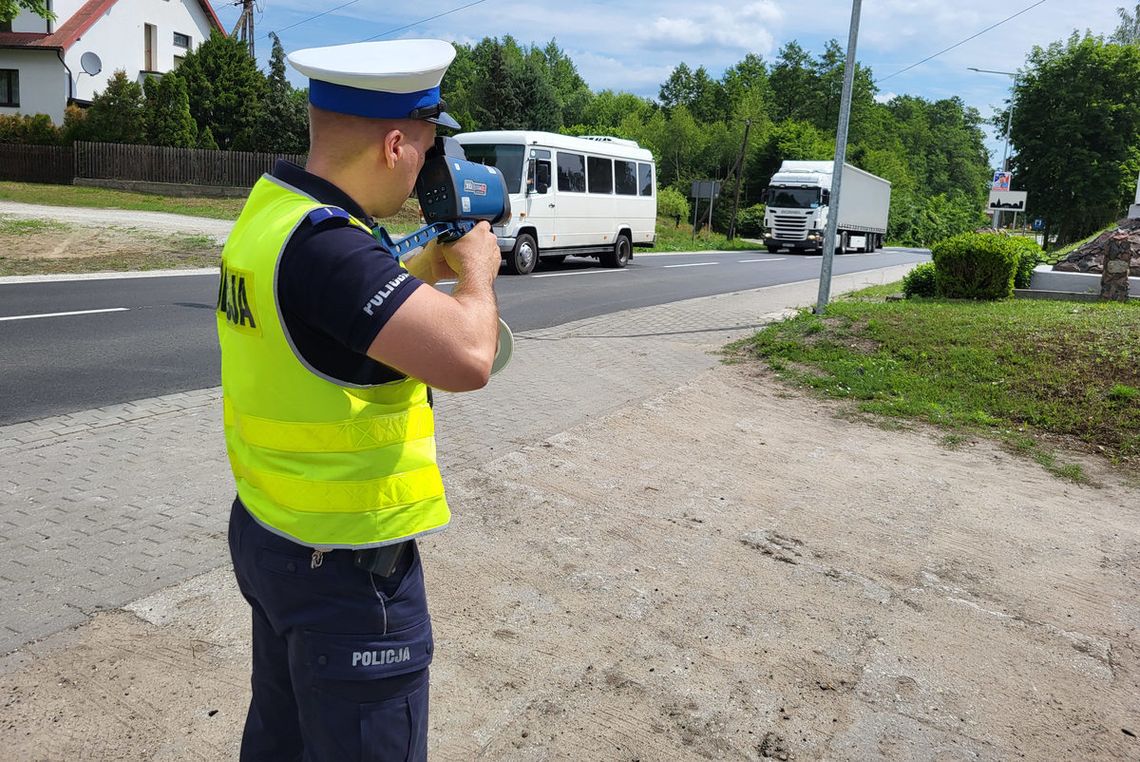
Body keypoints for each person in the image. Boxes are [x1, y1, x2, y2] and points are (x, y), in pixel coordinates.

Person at [216, 38, 502, 761]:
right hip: (348, 576)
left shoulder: (275, 211)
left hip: (273, 534)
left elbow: (329, 308)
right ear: (397, 144)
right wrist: (477, 272)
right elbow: (470, 357)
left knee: (281, 740)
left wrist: (413, 269)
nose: (428, 172)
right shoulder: (330, 251)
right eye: (430, 151)